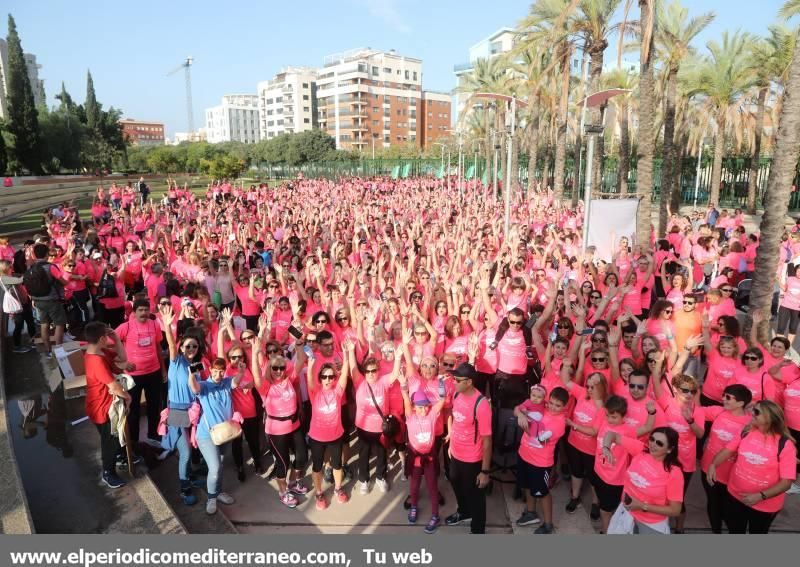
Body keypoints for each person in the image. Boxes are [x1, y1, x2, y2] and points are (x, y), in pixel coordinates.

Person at [708, 401, 797, 533]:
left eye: (756, 412)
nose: (751, 414)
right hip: (735, 496)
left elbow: (786, 482)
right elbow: (728, 450)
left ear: (769, 418)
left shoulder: (785, 444)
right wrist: (713, 464)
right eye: (752, 410)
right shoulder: (746, 431)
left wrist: (761, 496)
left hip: (764, 504)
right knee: (735, 531)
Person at [251, 330, 309, 508]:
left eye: (281, 368)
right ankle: (283, 492)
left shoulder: (289, 379)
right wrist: (254, 354)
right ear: (269, 369)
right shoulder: (266, 386)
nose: (278, 371)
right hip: (276, 430)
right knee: (282, 463)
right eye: (274, 368)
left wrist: (299, 345)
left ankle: (293, 482)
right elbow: (256, 376)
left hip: (295, 424)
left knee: (301, 457)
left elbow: (300, 361)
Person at [601, 426, 684, 534]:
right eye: (652, 439)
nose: (653, 444)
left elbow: (675, 510)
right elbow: (612, 435)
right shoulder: (641, 450)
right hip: (627, 512)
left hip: (651, 523)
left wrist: (642, 506)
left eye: (659, 443)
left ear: (669, 449)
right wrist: (606, 448)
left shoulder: (674, 473)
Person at [188, 357, 242, 514]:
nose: (218, 374)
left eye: (221, 371)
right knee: (215, 467)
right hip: (207, 435)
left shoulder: (226, 383)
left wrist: (241, 370)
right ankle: (211, 498)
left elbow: (236, 382)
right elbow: (194, 388)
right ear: (210, 369)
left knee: (220, 465)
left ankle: (218, 493)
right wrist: (192, 374)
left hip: (225, 433)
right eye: (215, 370)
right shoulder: (204, 386)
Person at [158, 304, 201, 506]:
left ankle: (190, 477)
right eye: (188, 346)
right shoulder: (176, 361)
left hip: (192, 412)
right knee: (184, 452)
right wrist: (168, 327)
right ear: (182, 347)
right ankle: (184, 489)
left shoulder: (196, 365)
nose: (191, 349)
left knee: (190, 450)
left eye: (195, 346)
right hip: (176, 411)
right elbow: (172, 346)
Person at [514, 386, 569, 534]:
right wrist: (520, 414)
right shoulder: (541, 406)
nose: (552, 407)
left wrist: (524, 422)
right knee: (526, 487)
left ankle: (548, 524)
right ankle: (531, 513)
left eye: (558, 405)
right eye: (551, 403)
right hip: (524, 454)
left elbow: (537, 436)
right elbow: (517, 408)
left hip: (540, 463)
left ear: (565, 407)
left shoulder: (560, 423)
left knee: (542, 492)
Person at [83, 321, 132, 489]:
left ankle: (117, 457)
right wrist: (127, 397)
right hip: (102, 409)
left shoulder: (99, 353)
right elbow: (113, 386)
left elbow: (123, 358)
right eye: (107, 336)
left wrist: (117, 339)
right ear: (102, 338)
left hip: (102, 404)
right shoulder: (96, 361)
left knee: (113, 439)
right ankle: (108, 472)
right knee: (109, 441)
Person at [445, 361, 492, 534]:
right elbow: (455, 420)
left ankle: (478, 529)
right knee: (455, 482)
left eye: (457, 379)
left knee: (475, 495)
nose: (453, 382)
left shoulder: (481, 405)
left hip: (472, 458)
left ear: (469, 382)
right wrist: (451, 444)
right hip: (456, 453)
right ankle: (464, 512)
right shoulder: (457, 395)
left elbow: (487, 441)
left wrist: (485, 471)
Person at [306, 340, 352, 510]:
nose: (328, 379)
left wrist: (347, 355)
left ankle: (338, 489)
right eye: (324, 376)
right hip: (317, 437)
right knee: (317, 466)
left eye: (331, 376)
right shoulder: (315, 392)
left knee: (337, 465)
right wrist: (311, 366)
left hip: (335, 436)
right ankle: (319, 492)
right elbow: (310, 380)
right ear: (320, 379)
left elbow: (345, 374)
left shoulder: (338, 392)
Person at [699, 384, 752, 533]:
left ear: (741, 403)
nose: (723, 399)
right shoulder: (718, 411)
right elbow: (694, 411)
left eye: (728, 397)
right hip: (708, 470)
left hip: (731, 476)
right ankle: (716, 532)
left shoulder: (750, 423)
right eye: (723, 395)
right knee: (713, 505)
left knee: (730, 512)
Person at [398, 373, 446, 533]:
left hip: (430, 457)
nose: (424, 409)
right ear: (413, 407)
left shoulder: (432, 415)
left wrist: (440, 383)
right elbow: (405, 398)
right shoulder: (410, 417)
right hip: (416, 457)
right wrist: (403, 385)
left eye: (426, 406)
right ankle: (413, 506)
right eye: (420, 407)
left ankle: (435, 515)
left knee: (432, 485)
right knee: (415, 484)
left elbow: (442, 400)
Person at [115, 299, 164, 453]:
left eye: (146, 310)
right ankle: (134, 441)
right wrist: (121, 364)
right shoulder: (125, 327)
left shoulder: (155, 325)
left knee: (154, 406)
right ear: (134, 312)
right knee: (133, 410)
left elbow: (158, 348)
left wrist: (163, 370)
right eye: (140, 310)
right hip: (133, 377)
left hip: (154, 373)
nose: (144, 313)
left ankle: (153, 435)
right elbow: (108, 346)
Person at [26, 243, 70, 357]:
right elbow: (64, 282)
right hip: (52, 300)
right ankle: (59, 351)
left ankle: (48, 350)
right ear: (46, 254)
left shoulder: (31, 267)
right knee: (59, 324)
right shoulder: (50, 267)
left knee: (44, 324)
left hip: (38, 300)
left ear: (35, 255)